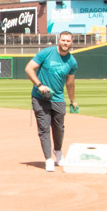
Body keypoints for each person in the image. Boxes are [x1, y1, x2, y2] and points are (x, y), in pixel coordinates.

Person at [25, 31, 78, 172]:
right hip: (40, 97)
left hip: (58, 98)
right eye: (63, 40)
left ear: (71, 43)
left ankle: (58, 151)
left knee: (59, 127)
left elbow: (70, 83)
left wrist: (73, 100)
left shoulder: (72, 61)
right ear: (58, 40)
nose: (65, 43)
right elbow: (29, 68)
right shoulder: (46, 53)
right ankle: (48, 158)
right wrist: (39, 85)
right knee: (43, 128)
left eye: (68, 41)